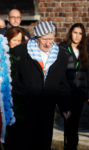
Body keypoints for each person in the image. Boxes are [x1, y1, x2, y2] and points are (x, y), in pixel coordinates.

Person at [5, 21, 71, 150]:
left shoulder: (61, 55)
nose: (48, 43)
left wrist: (65, 105)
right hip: (23, 112)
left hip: (46, 111)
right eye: (44, 39)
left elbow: (61, 83)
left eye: (51, 39)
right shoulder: (20, 52)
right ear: (36, 38)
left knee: (42, 144)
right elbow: (11, 80)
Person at [58, 23, 89, 150]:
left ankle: (71, 145)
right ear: (70, 33)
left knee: (74, 122)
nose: (77, 36)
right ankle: (70, 145)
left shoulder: (86, 50)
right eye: (75, 32)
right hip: (67, 93)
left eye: (80, 33)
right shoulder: (62, 48)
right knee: (69, 122)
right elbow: (58, 72)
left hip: (80, 92)